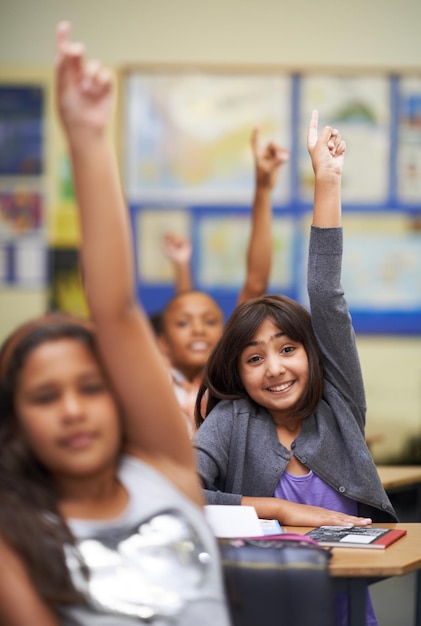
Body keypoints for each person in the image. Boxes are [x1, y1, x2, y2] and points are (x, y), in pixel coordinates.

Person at [0, 22, 231, 626]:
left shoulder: (165, 466)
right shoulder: (15, 538)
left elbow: (116, 309)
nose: (73, 409)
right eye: (45, 398)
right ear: (16, 422)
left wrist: (87, 136)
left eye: (90, 387)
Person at [193, 110, 398, 626]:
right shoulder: (232, 421)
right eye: (254, 359)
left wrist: (327, 180)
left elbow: (326, 296)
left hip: (344, 610)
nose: (275, 369)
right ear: (238, 373)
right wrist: (278, 509)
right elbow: (182, 487)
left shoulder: (339, 406)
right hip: (251, 611)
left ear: (312, 354)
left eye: (288, 349)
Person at [157, 132, 289, 433]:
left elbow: (255, 284)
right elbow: (181, 311)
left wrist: (263, 189)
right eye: (184, 325)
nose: (200, 329)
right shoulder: (154, 380)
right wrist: (181, 268)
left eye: (210, 321)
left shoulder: (229, 380)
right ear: (162, 345)